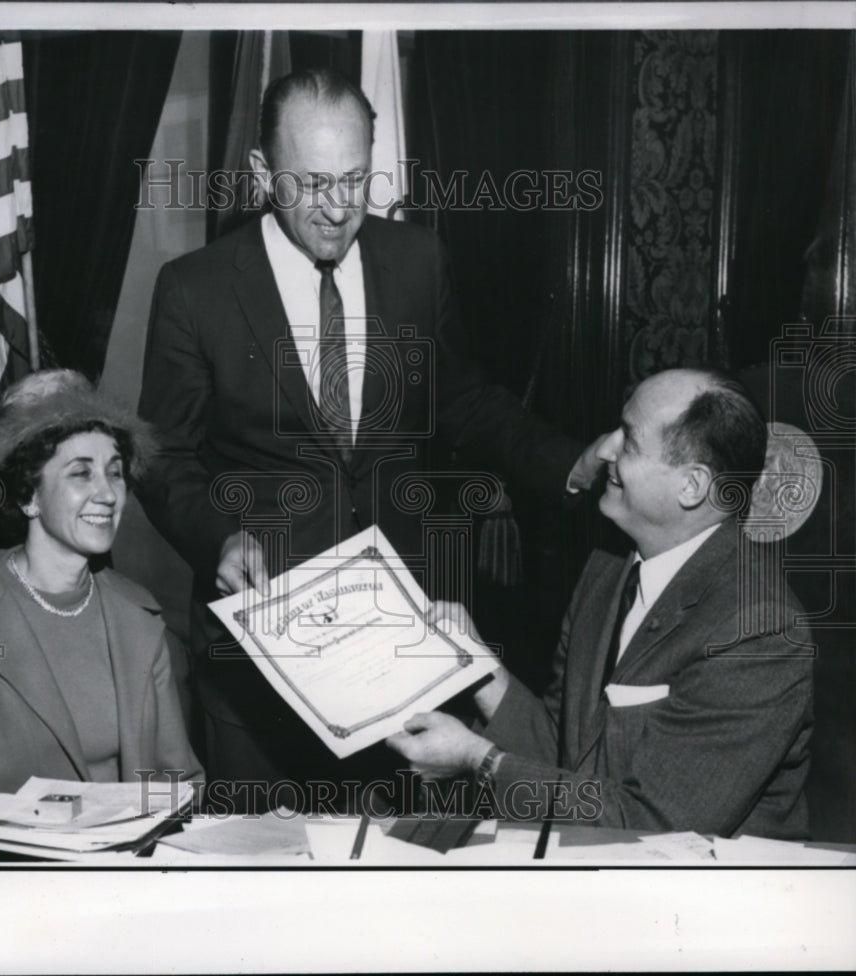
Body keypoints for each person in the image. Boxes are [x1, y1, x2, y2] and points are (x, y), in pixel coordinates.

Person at [138, 67, 604, 809]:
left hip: (400, 647)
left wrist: (570, 462)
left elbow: (467, 403)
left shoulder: (416, 262)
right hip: (264, 664)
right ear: (262, 171)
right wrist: (217, 539)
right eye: (312, 183)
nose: (336, 210)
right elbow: (162, 457)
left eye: (354, 182)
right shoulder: (195, 287)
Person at [387, 368, 815, 838]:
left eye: (628, 441)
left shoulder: (759, 630)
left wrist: (478, 759)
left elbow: (653, 821)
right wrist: (479, 666)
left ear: (691, 487)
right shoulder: (608, 567)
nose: (604, 448)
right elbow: (565, 752)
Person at [0, 370, 205, 795]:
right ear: (28, 495)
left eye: (115, 472)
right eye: (81, 473)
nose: (109, 494)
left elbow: (178, 783)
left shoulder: (141, 618)